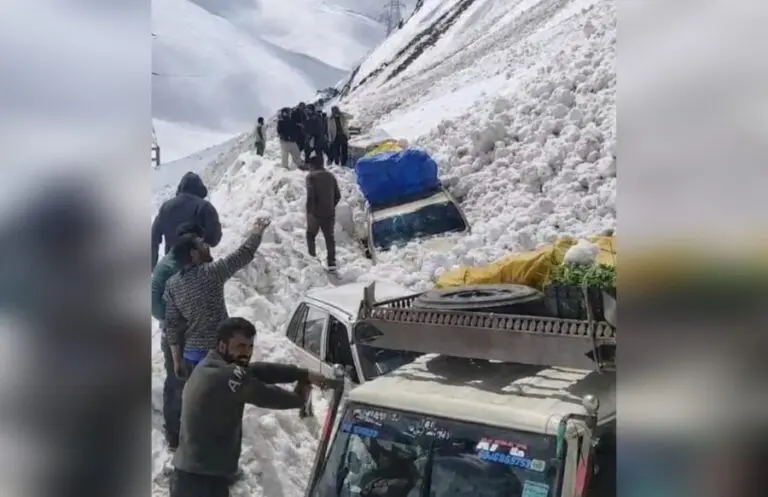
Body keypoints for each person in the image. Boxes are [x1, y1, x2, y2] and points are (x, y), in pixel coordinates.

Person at [170, 317, 332, 497]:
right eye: (240, 346)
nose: (246, 352)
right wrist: (300, 397)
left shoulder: (210, 366)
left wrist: (302, 373)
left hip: (194, 476)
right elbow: (266, 395)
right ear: (222, 346)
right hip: (199, 484)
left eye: (250, 347)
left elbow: (258, 371)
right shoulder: (226, 376)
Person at [163, 217, 271, 381]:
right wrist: (257, 232)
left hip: (191, 358)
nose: (207, 246)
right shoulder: (211, 273)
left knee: (199, 400)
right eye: (202, 244)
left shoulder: (172, 284)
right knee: (222, 401)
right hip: (218, 354)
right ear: (193, 253)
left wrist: (177, 361)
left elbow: (172, 326)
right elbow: (242, 255)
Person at [152, 222, 205, 451]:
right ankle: (176, 433)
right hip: (179, 335)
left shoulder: (172, 263)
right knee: (177, 381)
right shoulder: (173, 270)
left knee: (181, 381)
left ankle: (179, 431)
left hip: (183, 332)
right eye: (200, 246)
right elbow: (156, 307)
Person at [152, 172, 222, 270]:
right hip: (198, 271)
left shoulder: (165, 207)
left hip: (171, 269)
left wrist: (152, 265)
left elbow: (153, 237)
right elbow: (214, 239)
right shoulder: (205, 207)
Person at [305, 153, 341, 272]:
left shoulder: (311, 177)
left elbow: (311, 196)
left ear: (312, 165)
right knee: (329, 237)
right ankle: (332, 263)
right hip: (329, 212)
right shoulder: (330, 176)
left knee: (310, 235)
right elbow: (338, 195)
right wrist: (331, 205)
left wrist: (310, 212)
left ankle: (312, 258)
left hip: (315, 213)